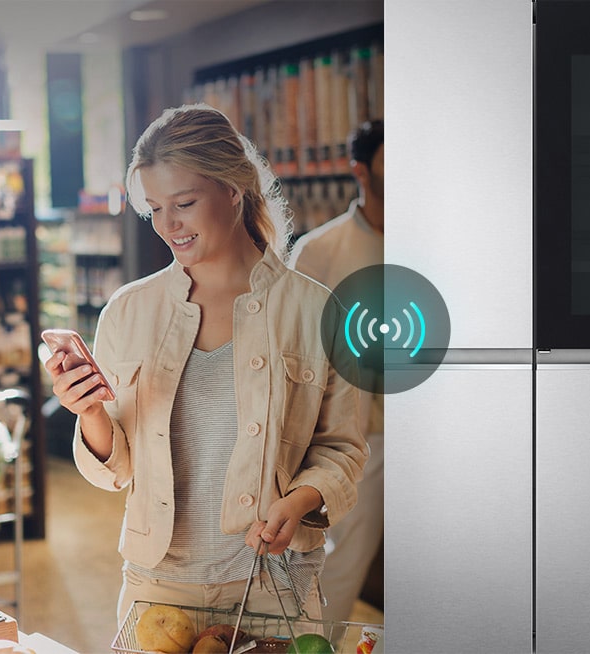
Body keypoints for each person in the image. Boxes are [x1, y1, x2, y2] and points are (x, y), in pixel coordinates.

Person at [44, 103, 368, 625]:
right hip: (157, 586)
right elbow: (117, 470)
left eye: (185, 203)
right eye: (154, 209)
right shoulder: (128, 311)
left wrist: (299, 501)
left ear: (232, 189)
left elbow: (343, 450)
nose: (169, 226)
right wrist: (89, 413)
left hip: (273, 587)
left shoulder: (316, 310)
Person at [288, 119, 384, 623]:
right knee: (341, 564)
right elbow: (294, 347)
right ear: (361, 172)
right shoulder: (320, 251)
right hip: (360, 440)